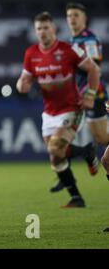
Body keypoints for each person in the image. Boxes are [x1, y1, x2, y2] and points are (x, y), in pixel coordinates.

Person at [16, 12, 100, 208]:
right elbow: (25, 80)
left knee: (55, 148)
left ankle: (87, 152)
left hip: (72, 108)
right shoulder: (31, 53)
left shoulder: (68, 49)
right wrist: (22, 85)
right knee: (55, 156)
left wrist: (89, 96)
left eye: (46, 28)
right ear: (35, 32)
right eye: (39, 29)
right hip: (49, 112)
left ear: (54, 29)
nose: (43, 32)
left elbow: (93, 69)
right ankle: (77, 196)